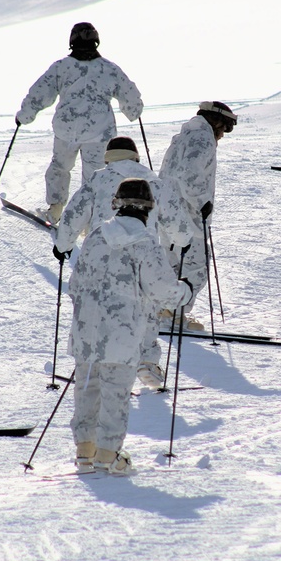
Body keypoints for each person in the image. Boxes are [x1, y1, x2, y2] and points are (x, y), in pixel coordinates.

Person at [67, 178, 193, 474]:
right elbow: (163, 290)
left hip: (86, 331)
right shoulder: (145, 243)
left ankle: (85, 454)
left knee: (87, 391)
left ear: (116, 205)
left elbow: (74, 284)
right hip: (122, 334)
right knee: (115, 395)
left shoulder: (96, 236)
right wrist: (184, 290)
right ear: (148, 210)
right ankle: (109, 455)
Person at [52, 136, 193, 388]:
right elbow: (179, 224)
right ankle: (147, 360)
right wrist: (183, 240)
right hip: (142, 251)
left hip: (100, 249)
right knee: (145, 304)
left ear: (108, 158)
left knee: (98, 303)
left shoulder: (97, 179)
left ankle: (97, 359)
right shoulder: (153, 183)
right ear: (136, 157)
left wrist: (62, 245)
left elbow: (74, 214)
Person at [15, 22, 143, 224]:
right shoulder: (109, 68)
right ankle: (91, 219)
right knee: (96, 175)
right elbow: (131, 98)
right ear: (96, 41)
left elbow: (40, 92)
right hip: (99, 132)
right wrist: (134, 111)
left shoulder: (62, 67)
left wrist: (25, 115)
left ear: (72, 42)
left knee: (59, 166)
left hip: (67, 130)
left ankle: (55, 209)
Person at [157, 101, 237, 330]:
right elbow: (189, 176)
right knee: (197, 266)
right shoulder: (202, 138)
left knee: (173, 263)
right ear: (217, 121)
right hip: (187, 215)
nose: (223, 134)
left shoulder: (184, 135)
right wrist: (203, 203)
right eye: (226, 127)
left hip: (167, 211)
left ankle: (166, 310)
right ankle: (175, 314)